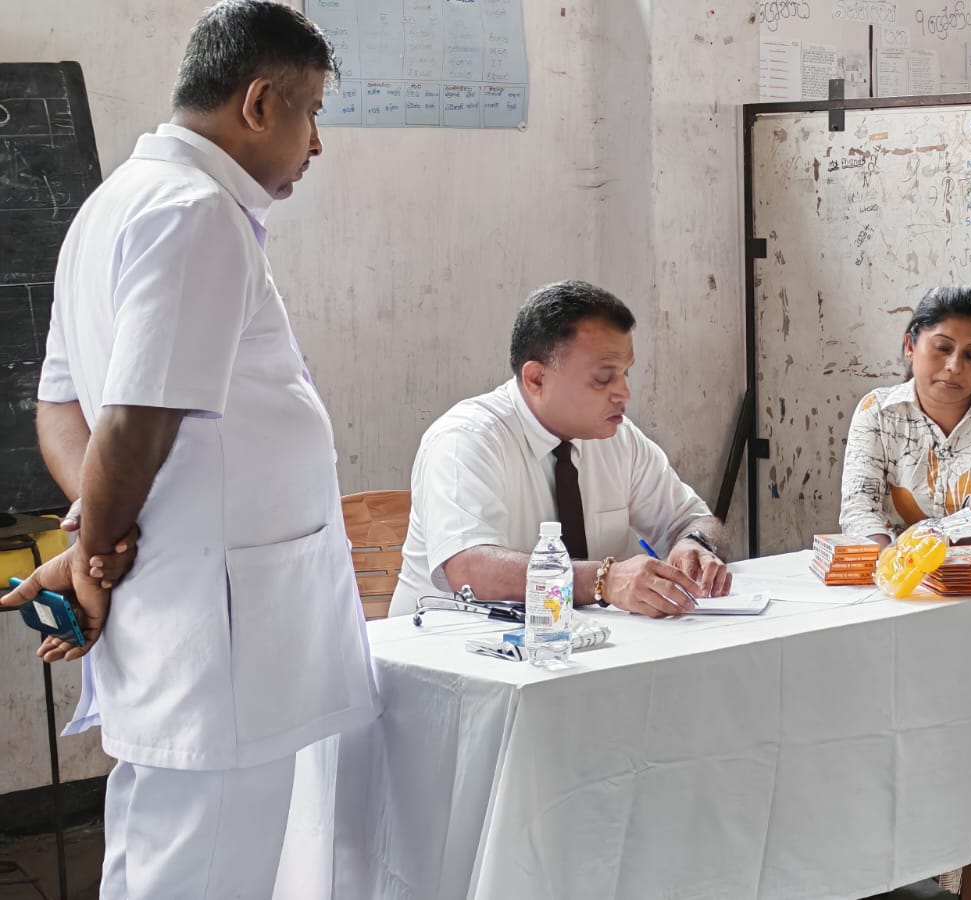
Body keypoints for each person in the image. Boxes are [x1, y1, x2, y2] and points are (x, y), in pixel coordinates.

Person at [0, 3, 380, 898]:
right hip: (221, 639)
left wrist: (95, 535)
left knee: (157, 859)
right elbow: (132, 424)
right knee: (206, 870)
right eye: (310, 112)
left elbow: (59, 407)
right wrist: (95, 550)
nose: (315, 143)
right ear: (259, 103)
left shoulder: (112, 205)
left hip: (189, 616)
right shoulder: (194, 213)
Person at [388, 279, 732, 619]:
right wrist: (605, 580)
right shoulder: (465, 439)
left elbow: (694, 519)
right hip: (455, 643)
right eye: (603, 378)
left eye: (626, 374)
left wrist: (695, 544)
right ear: (536, 379)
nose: (624, 394)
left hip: (585, 643)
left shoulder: (618, 438)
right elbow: (469, 569)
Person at [839, 286, 971, 578]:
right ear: (910, 346)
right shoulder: (878, 412)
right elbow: (859, 508)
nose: (954, 366)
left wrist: (944, 547)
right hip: (894, 590)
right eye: (942, 348)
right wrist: (892, 564)